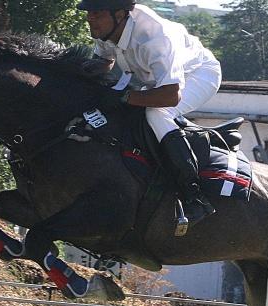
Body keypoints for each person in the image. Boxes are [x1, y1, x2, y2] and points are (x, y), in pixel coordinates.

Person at [78, 0, 222, 228]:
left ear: (120, 14)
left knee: (156, 114)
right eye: (89, 12)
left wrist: (124, 97)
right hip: (156, 81)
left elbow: (170, 96)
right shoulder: (108, 28)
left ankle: (193, 195)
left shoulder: (155, 38)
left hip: (199, 75)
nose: (90, 18)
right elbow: (104, 62)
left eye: (96, 13)